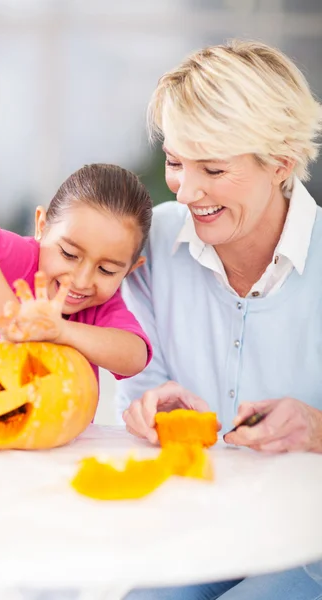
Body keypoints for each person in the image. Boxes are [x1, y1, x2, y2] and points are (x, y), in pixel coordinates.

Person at [117, 40, 322, 599]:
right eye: (175, 162)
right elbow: (138, 378)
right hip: (198, 526)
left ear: (280, 162)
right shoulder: (153, 240)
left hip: (311, 538)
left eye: (213, 168)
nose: (186, 189)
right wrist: (151, 409)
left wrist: (318, 429)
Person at [0, 163, 153, 419]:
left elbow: (135, 356)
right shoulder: (22, 258)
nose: (81, 280)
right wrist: (12, 321)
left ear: (130, 270)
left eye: (107, 270)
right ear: (41, 226)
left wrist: (61, 331)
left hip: (53, 452)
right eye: (69, 254)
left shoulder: (102, 306)